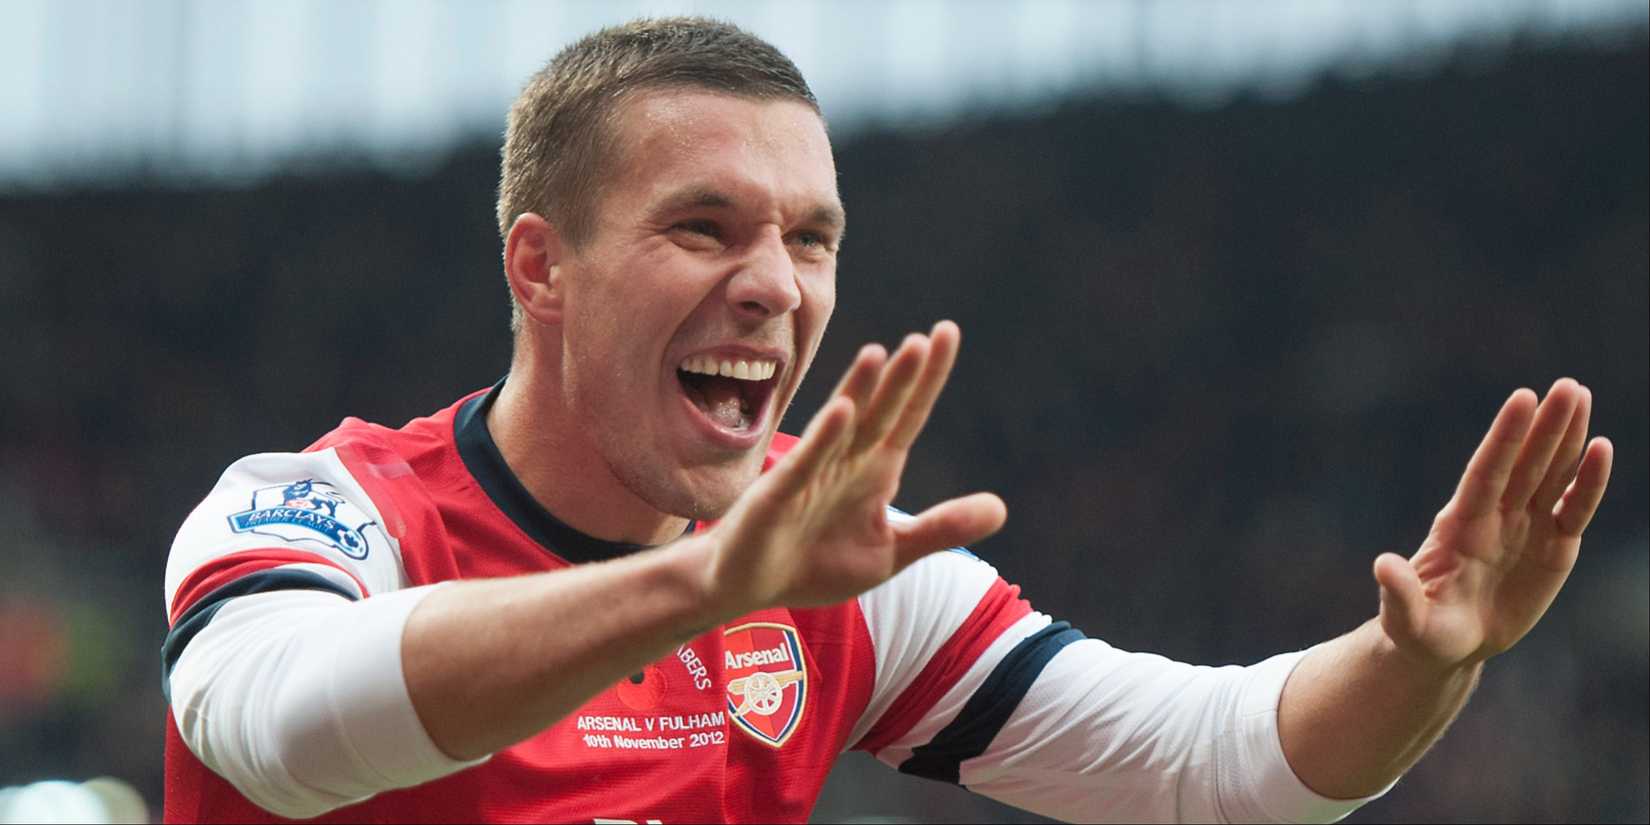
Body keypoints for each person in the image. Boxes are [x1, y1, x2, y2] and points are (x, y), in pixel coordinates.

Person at [159, 17, 1614, 824]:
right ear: (541, 265)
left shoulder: (835, 562)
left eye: (809, 234)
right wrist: (704, 585)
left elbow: (1208, 764)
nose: (771, 285)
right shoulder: (317, 511)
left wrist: (1419, 657)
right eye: (702, 224)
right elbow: (282, 733)